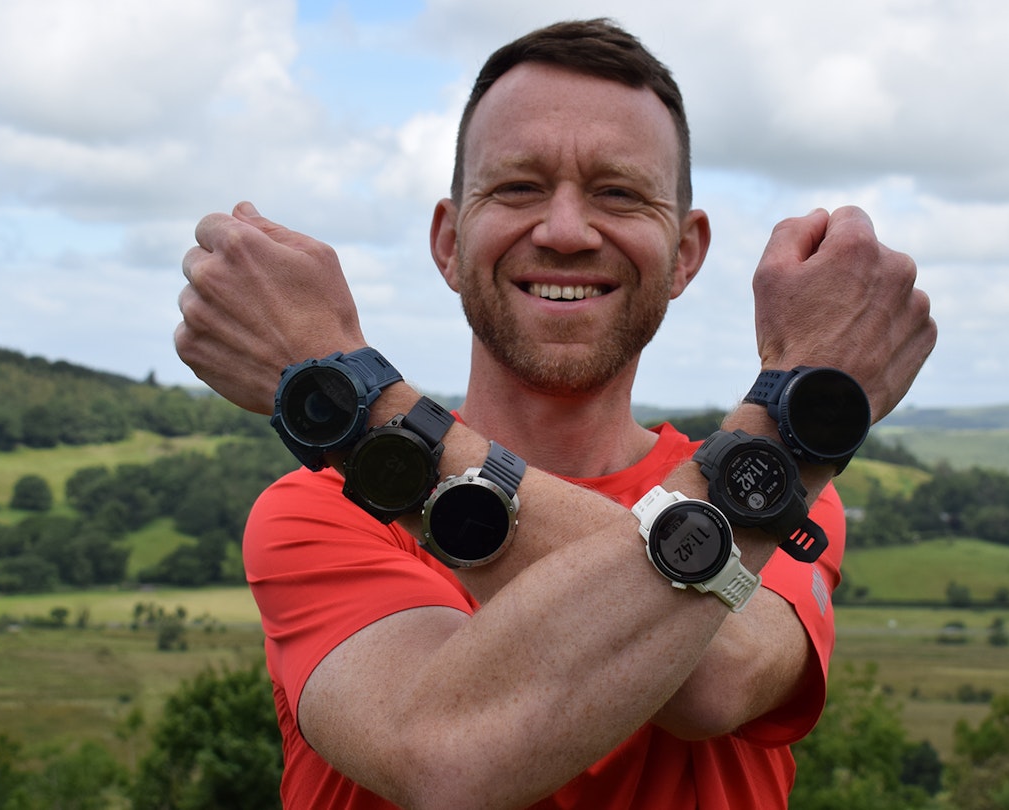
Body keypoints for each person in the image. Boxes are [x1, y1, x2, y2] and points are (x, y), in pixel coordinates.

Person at [175, 18, 935, 810]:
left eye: (618, 192)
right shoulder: (319, 512)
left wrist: (358, 414)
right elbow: (446, 754)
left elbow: (722, 673)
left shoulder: (797, 494)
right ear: (447, 241)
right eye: (517, 188)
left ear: (685, 252)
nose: (566, 231)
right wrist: (804, 418)